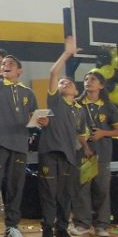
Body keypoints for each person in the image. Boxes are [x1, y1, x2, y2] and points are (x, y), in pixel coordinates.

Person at [0, 33, 43, 237]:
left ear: (19, 70)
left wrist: (42, 121)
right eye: (2, 63)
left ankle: (12, 225)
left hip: (19, 144)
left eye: (9, 63)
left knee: (16, 186)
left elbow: (34, 117)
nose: (4, 65)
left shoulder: (28, 93)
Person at [38, 37, 89, 237]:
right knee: (49, 193)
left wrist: (85, 148)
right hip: (50, 153)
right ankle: (48, 227)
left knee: (65, 195)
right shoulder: (55, 101)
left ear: (76, 91)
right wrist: (67, 53)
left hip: (70, 156)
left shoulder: (79, 111)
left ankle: (62, 227)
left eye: (68, 82)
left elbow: (80, 134)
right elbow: (53, 72)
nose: (64, 82)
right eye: (61, 82)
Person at [71, 69, 118, 237]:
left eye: (92, 79)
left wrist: (103, 133)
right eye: (86, 79)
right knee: (82, 189)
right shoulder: (77, 103)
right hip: (84, 154)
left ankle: (102, 226)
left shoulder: (109, 107)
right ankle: (82, 224)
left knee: (102, 190)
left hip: (103, 155)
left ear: (101, 85)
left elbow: (117, 130)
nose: (88, 82)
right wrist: (85, 145)